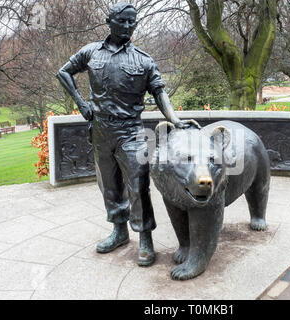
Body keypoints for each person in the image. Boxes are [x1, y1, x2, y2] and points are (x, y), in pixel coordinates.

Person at [56, 2, 192, 267]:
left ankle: (145, 238)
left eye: (133, 22)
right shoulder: (90, 52)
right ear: (110, 21)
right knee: (109, 184)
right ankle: (118, 231)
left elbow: (159, 92)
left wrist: (174, 119)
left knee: (138, 185)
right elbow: (64, 72)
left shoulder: (143, 59)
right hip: (101, 130)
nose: (129, 26)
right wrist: (81, 104)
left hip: (131, 131)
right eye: (124, 21)